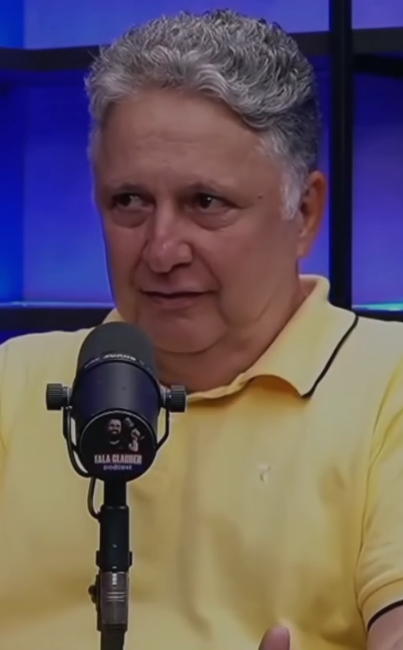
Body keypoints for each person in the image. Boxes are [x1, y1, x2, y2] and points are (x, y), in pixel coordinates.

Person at [0, 9, 403, 650]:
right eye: (130, 201)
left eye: (206, 203)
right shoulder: (15, 381)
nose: (162, 250)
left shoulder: (389, 388)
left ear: (305, 213)